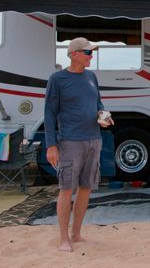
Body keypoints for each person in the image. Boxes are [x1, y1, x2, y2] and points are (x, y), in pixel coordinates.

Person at [44, 37, 113, 252]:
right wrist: (51, 145)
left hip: (94, 139)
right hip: (70, 141)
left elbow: (98, 102)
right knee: (67, 189)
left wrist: (103, 115)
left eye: (92, 53)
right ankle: (64, 238)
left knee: (86, 188)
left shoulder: (91, 76)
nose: (91, 56)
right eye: (88, 53)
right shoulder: (58, 79)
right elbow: (49, 112)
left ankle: (77, 234)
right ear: (74, 54)